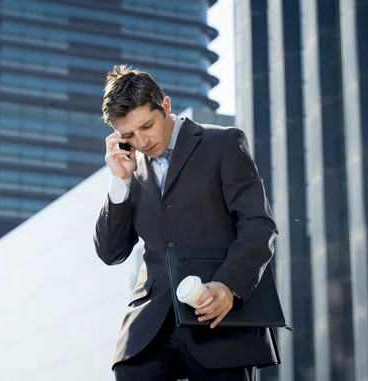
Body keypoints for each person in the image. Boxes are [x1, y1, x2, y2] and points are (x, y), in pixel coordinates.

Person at [94, 65, 279, 381]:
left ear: (165, 105)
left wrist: (228, 285)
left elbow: (258, 224)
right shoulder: (127, 168)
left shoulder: (223, 143)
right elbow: (111, 252)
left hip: (216, 315)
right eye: (128, 135)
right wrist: (119, 183)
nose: (141, 141)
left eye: (147, 126)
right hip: (149, 328)